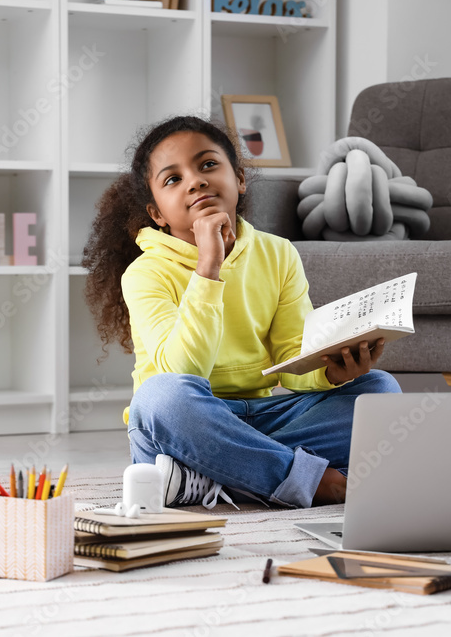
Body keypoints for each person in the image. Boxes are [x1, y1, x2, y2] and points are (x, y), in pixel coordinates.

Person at [82, 115, 402, 510]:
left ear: (240, 180)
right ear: (157, 214)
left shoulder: (278, 253)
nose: (195, 181)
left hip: (262, 418)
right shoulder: (145, 273)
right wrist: (208, 268)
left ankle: (211, 477)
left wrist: (330, 372)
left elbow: (291, 359)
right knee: (159, 397)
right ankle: (311, 480)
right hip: (185, 422)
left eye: (208, 165)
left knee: (380, 391)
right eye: (172, 179)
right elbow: (184, 370)